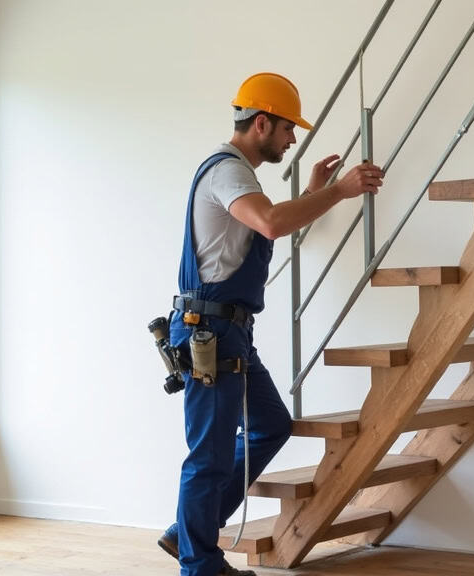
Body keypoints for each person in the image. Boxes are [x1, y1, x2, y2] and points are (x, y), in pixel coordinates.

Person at [157, 72, 384, 576]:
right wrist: (342, 192)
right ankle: (200, 565)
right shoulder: (228, 172)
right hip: (207, 333)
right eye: (287, 128)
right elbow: (272, 223)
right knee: (208, 456)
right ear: (261, 122)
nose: (293, 138)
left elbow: (263, 226)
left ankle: (187, 532)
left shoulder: (240, 175)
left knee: (270, 426)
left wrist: (314, 191)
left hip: (227, 331)